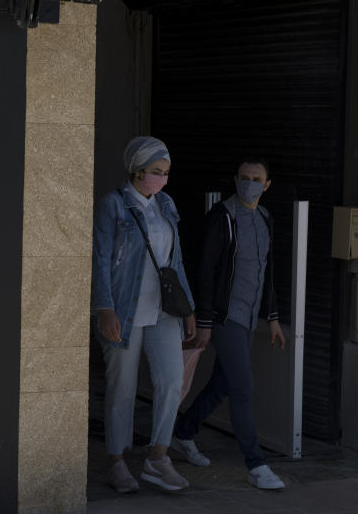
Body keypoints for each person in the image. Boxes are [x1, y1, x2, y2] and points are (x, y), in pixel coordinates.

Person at [172, 158, 286, 490]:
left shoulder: (265, 218)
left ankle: (184, 431)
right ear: (235, 179)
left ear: (267, 185)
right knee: (243, 388)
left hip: (249, 318)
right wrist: (205, 322)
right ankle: (256, 464)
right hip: (225, 318)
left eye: (256, 179)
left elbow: (268, 272)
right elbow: (205, 273)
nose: (249, 183)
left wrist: (274, 318)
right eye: (244, 177)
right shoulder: (222, 217)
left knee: (223, 383)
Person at [92, 136, 197, 493]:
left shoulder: (165, 204)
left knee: (171, 381)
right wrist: (104, 307)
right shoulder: (114, 205)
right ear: (137, 170)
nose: (161, 179)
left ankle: (157, 458)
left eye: (165, 173)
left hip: (164, 311)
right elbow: (100, 258)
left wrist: (189, 310)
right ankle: (117, 462)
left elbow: (175, 261)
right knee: (121, 387)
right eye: (155, 172)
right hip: (124, 308)